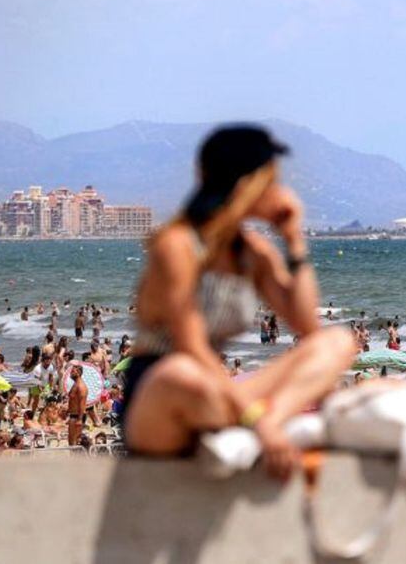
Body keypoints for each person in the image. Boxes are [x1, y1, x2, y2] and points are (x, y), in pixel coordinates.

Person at [120, 126, 355, 478]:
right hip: (160, 397)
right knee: (181, 372)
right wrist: (253, 418)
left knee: (338, 341)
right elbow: (190, 345)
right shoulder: (178, 245)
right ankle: (259, 429)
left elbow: (307, 327)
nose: (278, 192)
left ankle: (265, 428)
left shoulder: (253, 254)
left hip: (218, 398)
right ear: (250, 185)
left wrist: (293, 241)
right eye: (271, 181)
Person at [67, 365, 87, 446]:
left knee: (74, 441)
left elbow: (82, 404)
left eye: (72, 372)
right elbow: (73, 400)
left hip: (77, 416)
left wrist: (80, 419)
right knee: (71, 440)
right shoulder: (75, 384)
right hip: (73, 415)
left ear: (78, 373)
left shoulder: (81, 386)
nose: (70, 374)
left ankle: (75, 457)